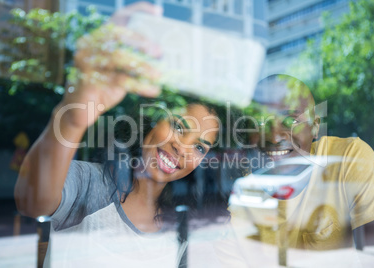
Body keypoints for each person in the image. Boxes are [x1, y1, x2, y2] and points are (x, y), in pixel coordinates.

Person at [14, 3, 240, 267]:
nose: (183, 148)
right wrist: (72, 120)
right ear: (151, 122)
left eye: (200, 147)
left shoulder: (182, 222)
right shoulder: (90, 183)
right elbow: (31, 202)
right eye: (179, 127)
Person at [230, 74, 374, 264]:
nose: (276, 136)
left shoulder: (348, 157)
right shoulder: (260, 179)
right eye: (265, 123)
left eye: (290, 121)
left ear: (315, 127)